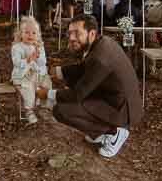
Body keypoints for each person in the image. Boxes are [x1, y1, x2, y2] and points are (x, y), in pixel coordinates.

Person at [54, 16, 142, 158]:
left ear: (92, 33)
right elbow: (84, 68)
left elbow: (78, 95)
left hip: (122, 108)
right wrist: (59, 72)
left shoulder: (100, 57)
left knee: (61, 110)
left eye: (77, 33)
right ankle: (101, 131)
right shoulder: (102, 43)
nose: (71, 37)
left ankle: (114, 132)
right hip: (113, 98)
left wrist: (48, 94)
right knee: (68, 92)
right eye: (70, 33)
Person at [9, 16, 54, 126]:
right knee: (28, 88)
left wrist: (38, 57)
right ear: (20, 34)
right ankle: (29, 111)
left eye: (34, 33)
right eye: (27, 32)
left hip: (39, 74)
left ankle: (45, 106)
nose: (30, 35)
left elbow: (43, 62)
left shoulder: (39, 46)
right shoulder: (17, 47)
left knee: (47, 84)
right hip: (23, 76)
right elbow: (17, 62)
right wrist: (28, 59)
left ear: (38, 35)